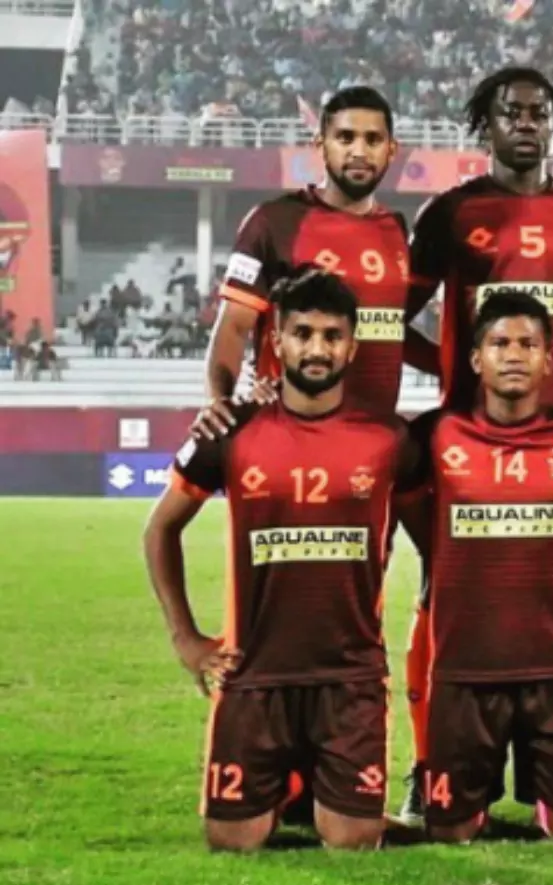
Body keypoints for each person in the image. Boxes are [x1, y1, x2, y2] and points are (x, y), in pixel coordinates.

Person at [397, 66, 553, 823]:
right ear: (485, 125)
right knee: (441, 592)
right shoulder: (452, 212)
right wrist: (450, 370)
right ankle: (428, 764)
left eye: (538, 113)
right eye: (510, 113)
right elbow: (389, 314)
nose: (525, 123)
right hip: (469, 440)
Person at [142, 267, 421, 852]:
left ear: (353, 345)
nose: (317, 349)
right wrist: (186, 638)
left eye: (332, 335)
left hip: (350, 678)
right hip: (253, 675)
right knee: (233, 842)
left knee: (352, 841)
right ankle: (297, 791)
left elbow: (436, 534)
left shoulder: (388, 439)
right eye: (303, 334)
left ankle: (331, 800)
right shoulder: (231, 432)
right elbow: (160, 529)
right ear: (278, 342)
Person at [404, 291, 553, 843]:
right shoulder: (434, 435)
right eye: (499, 343)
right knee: (450, 835)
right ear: (476, 359)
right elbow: (403, 504)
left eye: (527, 344)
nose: (513, 355)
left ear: (549, 360)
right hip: (464, 674)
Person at [204, 86, 410, 417]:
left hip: (374, 434)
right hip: (289, 427)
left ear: (391, 150)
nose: (359, 151)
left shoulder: (396, 229)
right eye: (345, 138)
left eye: (373, 140)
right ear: (320, 144)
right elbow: (233, 326)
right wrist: (218, 403)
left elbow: (392, 329)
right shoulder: (274, 222)